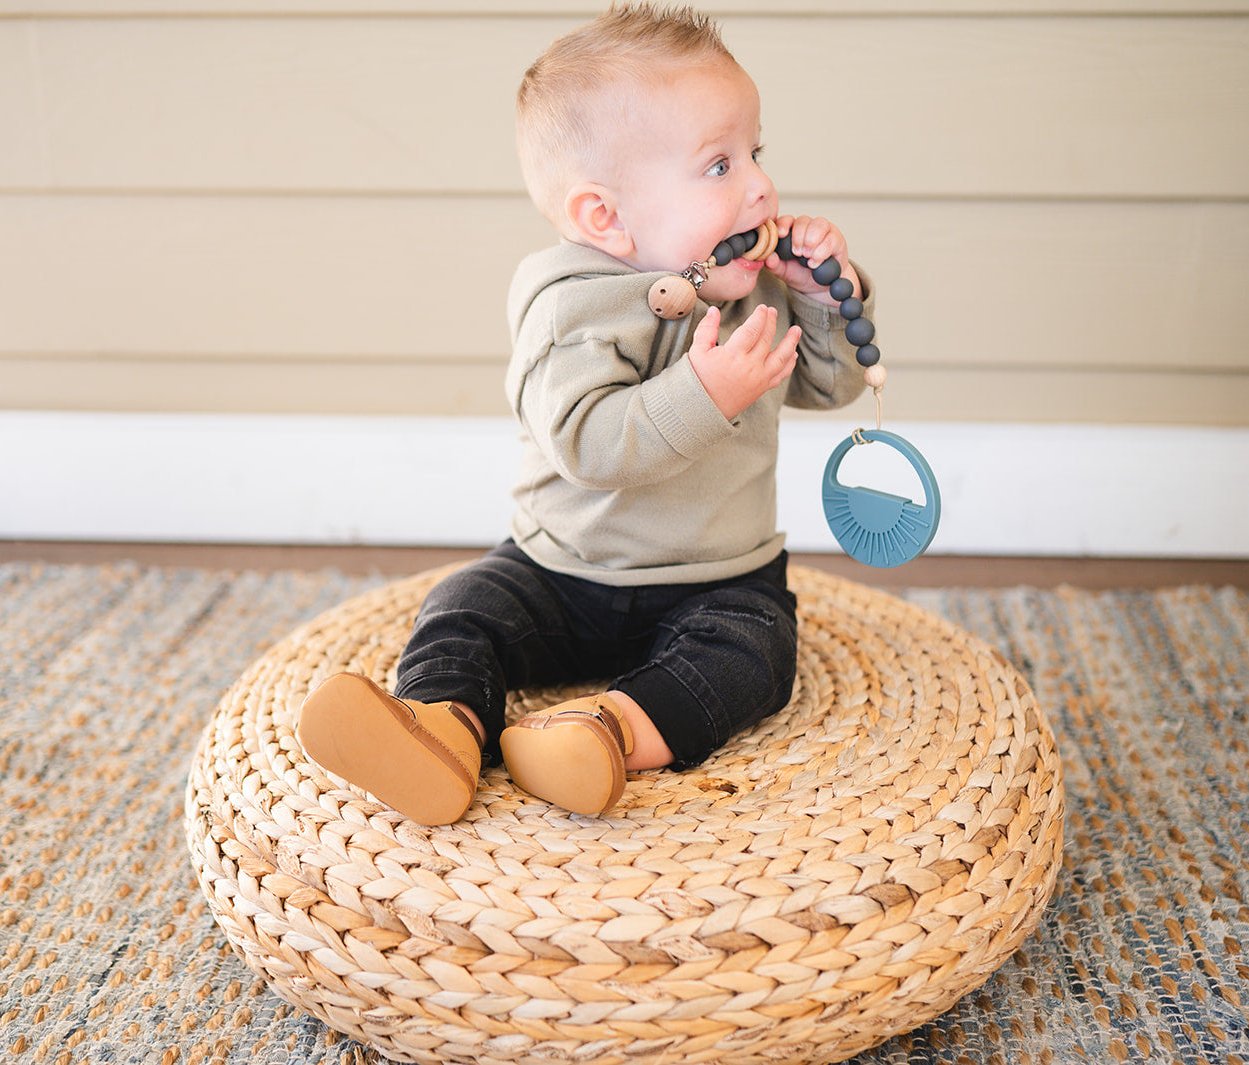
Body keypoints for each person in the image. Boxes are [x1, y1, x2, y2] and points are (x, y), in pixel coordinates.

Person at [295, 1, 873, 824]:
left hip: (716, 580)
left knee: (757, 654)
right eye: (719, 165)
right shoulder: (570, 306)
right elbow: (588, 445)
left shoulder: (753, 288)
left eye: (756, 153)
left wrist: (821, 299)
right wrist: (705, 395)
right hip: (560, 570)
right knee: (465, 606)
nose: (761, 187)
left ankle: (605, 731)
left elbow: (830, 384)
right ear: (605, 218)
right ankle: (441, 726)